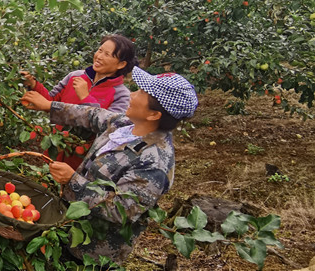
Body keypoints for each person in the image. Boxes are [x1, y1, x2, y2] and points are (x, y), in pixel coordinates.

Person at [20, 67, 198, 266]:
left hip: (92, 250)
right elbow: (92, 115)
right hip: (68, 224)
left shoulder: (154, 163)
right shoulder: (125, 125)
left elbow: (120, 209)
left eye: (141, 93)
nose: (132, 94)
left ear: (154, 114)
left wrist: (74, 181)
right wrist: (49, 106)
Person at [21, 34, 138, 168]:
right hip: (55, 148)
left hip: (82, 163)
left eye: (107, 54)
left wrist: (85, 97)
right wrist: (34, 84)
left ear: (121, 64)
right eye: (100, 50)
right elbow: (51, 100)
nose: (99, 56)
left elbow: (108, 128)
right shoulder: (75, 76)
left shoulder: (122, 96)